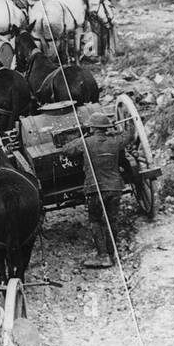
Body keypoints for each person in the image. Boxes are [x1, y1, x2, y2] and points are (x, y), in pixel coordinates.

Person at [73, 108, 128, 268]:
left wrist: (83, 136)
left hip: (95, 189)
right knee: (111, 220)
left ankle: (103, 256)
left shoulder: (86, 142)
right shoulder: (115, 141)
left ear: (92, 128)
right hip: (115, 187)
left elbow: (67, 149)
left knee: (95, 220)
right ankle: (112, 254)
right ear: (106, 128)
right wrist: (118, 130)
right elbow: (129, 136)